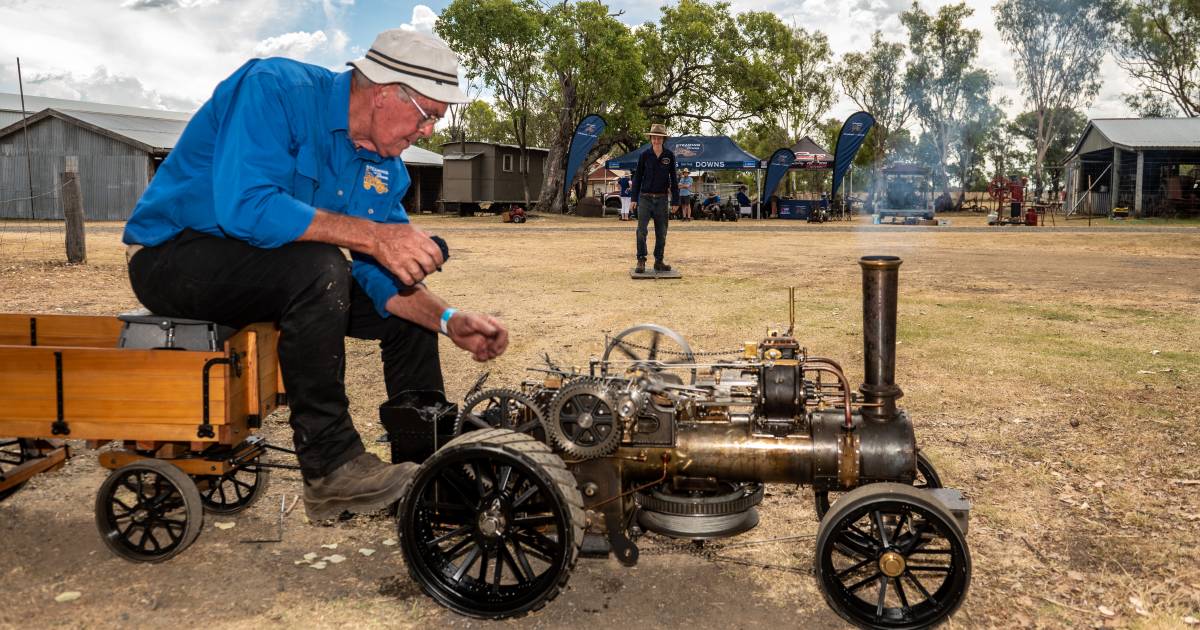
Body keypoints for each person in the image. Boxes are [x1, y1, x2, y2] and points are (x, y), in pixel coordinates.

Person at [121, 30, 509, 521]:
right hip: (172, 256)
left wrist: (449, 319)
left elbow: (383, 274)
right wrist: (372, 236)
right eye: (428, 115)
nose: (429, 132)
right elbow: (246, 206)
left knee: (403, 309)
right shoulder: (274, 89)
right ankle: (331, 468)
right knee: (321, 266)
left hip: (278, 271)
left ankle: (426, 473)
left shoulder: (385, 168)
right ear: (386, 92)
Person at [630, 124, 679, 273]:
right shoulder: (644, 155)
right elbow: (637, 177)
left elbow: (674, 179)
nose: (656, 140)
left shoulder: (669, 156)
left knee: (662, 232)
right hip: (645, 198)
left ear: (663, 139)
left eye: (659, 137)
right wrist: (634, 199)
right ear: (650, 138)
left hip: (662, 199)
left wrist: (676, 201)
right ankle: (641, 260)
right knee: (641, 230)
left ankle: (659, 261)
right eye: (654, 137)